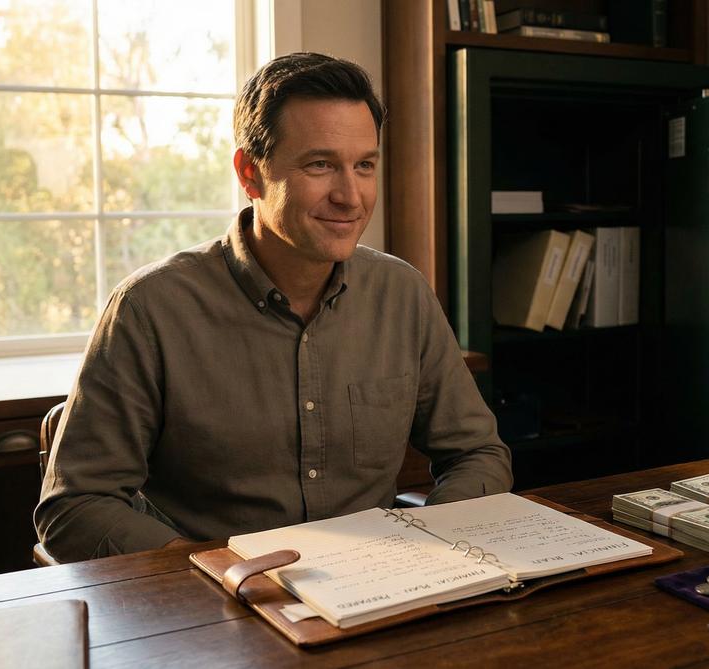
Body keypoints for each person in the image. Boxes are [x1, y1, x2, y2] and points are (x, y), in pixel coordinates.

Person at [35, 52, 512, 562]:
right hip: (215, 606)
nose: (351, 196)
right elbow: (74, 508)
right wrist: (216, 569)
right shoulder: (150, 309)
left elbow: (478, 455)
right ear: (250, 173)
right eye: (320, 165)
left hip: (383, 591)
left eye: (365, 166)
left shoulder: (402, 294)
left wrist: (432, 541)